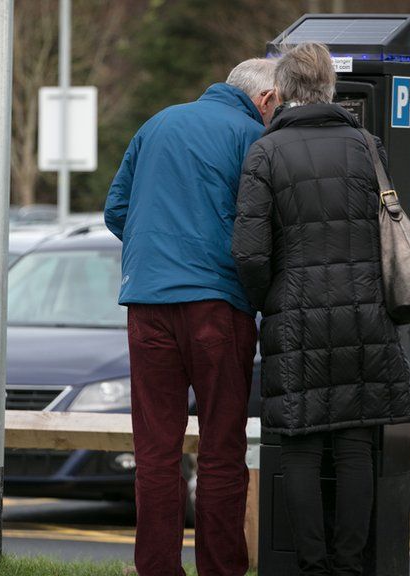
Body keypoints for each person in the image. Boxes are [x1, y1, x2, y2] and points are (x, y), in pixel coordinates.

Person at [231, 42, 410, 576]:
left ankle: (310, 567)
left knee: (301, 447)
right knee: (356, 444)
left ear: (284, 89)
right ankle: (351, 567)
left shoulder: (265, 152)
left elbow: (249, 252)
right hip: (364, 314)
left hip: (296, 318)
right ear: (330, 89)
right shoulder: (367, 145)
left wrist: (268, 300)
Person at [105, 58, 279, 576]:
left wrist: (159, 252)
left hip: (147, 304)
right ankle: (220, 570)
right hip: (217, 306)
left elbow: (116, 209)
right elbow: (262, 226)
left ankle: (157, 568)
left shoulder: (156, 123)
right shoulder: (252, 137)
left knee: (155, 450)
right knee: (221, 448)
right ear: (266, 100)